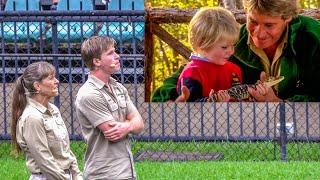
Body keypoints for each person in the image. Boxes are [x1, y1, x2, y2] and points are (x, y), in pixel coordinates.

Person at [151, 0, 320, 102]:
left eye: (269, 25)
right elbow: (189, 71)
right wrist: (168, 99)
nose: (259, 34)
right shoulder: (232, 41)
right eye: (253, 21)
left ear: (288, 18)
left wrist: (278, 102)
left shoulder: (312, 37)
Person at [75, 36, 144, 179]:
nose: (117, 56)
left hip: (126, 171)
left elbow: (140, 124)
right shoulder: (89, 94)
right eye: (111, 53)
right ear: (97, 61)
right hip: (104, 174)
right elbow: (113, 133)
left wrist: (127, 127)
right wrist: (130, 124)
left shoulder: (118, 88)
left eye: (115, 51)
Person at [11, 61, 83, 180]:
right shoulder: (32, 117)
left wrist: (77, 175)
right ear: (37, 86)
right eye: (51, 78)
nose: (57, 81)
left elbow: (65, 150)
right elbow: (44, 161)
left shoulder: (53, 110)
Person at [177, 7, 241, 102]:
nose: (231, 52)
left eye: (233, 46)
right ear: (202, 44)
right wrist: (213, 103)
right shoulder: (192, 73)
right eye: (224, 47)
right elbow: (191, 107)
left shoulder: (234, 70)